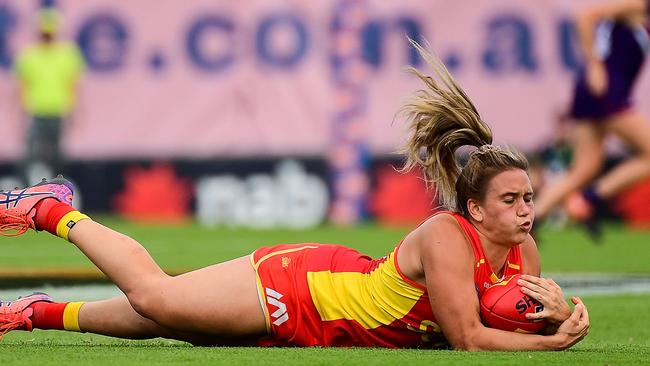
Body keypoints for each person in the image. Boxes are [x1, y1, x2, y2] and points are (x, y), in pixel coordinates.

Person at [0, 43, 590, 351]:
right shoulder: (446, 237)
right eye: (510, 200)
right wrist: (555, 343)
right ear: (474, 210)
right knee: (158, 298)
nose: (526, 210)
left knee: (172, 323)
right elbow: (467, 340)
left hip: (329, 320)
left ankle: (33, 314)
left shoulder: (525, 253)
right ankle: (51, 209)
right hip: (304, 288)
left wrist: (564, 318)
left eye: (529, 197)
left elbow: (517, 326)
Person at [534, 0, 650, 238]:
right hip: (607, 92)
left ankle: (531, 219)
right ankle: (589, 198)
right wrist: (595, 65)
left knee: (585, 169)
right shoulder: (637, 4)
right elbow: (585, 17)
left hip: (600, 92)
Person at [13, 7, 85, 185]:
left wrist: (74, 110)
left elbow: (73, 84)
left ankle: (56, 189)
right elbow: (21, 86)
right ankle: (26, 192)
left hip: (58, 110)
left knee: (57, 157)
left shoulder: (67, 54)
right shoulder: (29, 55)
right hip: (35, 111)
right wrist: (21, 112)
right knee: (30, 156)